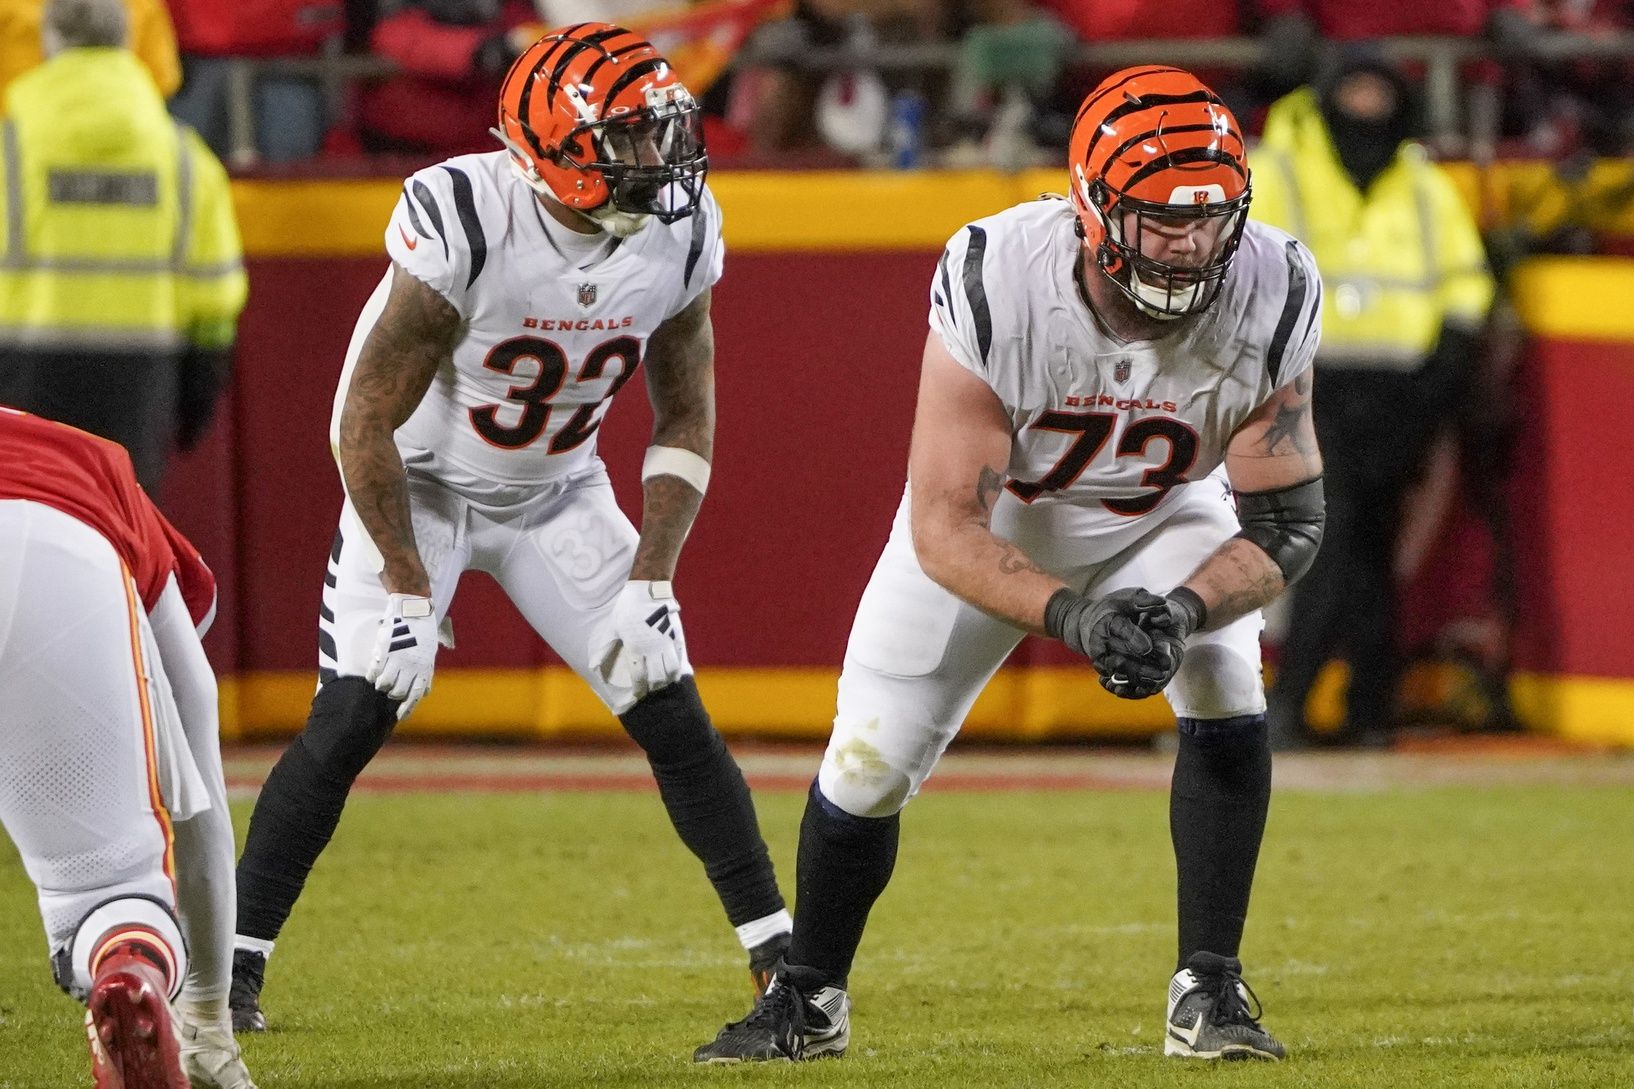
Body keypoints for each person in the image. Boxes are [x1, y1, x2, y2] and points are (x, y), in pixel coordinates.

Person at [694, 64, 1325, 1064]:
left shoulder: (1275, 282)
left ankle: (1209, 988)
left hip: (1162, 512)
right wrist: (1074, 617)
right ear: (1089, 205)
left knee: (1224, 677)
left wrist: (1181, 607)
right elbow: (945, 522)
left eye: (1207, 220)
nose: (1189, 245)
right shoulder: (998, 274)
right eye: (1158, 219)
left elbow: (1285, 522)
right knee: (866, 764)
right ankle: (807, 997)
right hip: (1003, 523)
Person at [228, 22, 791, 1033]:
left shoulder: (680, 224)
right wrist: (404, 584)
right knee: (356, 707)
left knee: (667, 700)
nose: (659, 159)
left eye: (659, 130)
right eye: (627, 137)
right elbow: (363, 417)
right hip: (423, 487)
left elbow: (685, 409)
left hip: (557, 492)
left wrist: (653, 578)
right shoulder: (468, 218)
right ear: (555, 151)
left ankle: (779, 967)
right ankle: (230, 966)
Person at [0, 407, 255, 1089]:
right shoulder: (87, 456)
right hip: (56, 542)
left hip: (60, 523)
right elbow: (193, 692)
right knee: (107, 892)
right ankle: (126, 964)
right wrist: (208, 1014)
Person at [1250, 54, 1495, 749]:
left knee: (1368, 543)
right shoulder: (1282, 172)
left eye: (1377, 93)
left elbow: (1464, 283)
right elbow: (1246, 274)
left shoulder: (1422, 184)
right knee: (1331, 531)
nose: (1365, 108)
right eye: (1352, 91)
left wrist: (1440, 372)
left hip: (1403, 391)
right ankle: (1300, 701)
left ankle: (1364, 708)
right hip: (1307, 382)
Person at [0, 0, 247, 497]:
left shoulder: (8, 148)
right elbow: (216, 299)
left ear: (49, 43)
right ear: (131, 43)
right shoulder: (184, 157)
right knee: (123, 544)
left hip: (19, 378)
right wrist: (195, 399)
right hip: (141, 383)